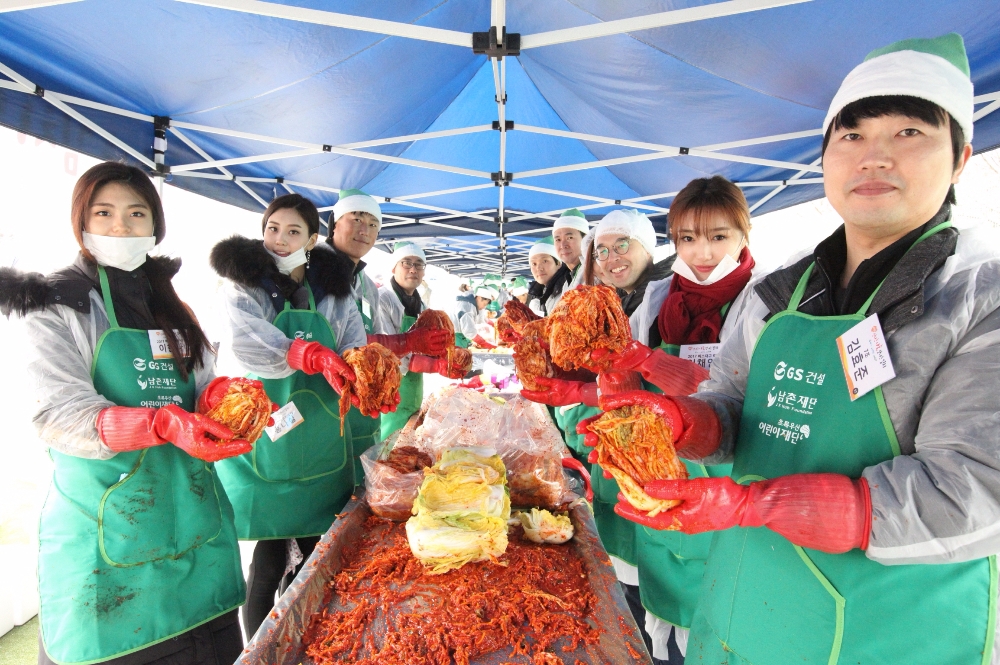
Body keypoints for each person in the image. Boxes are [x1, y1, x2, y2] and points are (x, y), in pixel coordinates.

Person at [605, 33, 1000, 665]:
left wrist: (755, 502)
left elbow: (975, 489)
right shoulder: (782, 294)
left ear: (960, 159)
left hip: (889, 633)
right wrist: (685, 424)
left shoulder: (978, 298)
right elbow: (733, 404)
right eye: (852, 136)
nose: (874, 157)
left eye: (909, 133)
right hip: (744, 606)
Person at [0, 162, 252, 665]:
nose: (120, 226)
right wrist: (159, 422)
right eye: (104, 212)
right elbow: (58, 412)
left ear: (155, 225)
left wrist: (225, 396)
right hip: (104, 531)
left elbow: (201, 383)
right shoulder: (54, 304)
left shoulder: (172, 305)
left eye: (137, 213)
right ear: (81, 220)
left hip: (192, 517)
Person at [581, 176, 756, 664]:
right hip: (655, 473)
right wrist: (602, 386)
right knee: (656, 616)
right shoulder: (659, 298)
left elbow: (743, 397)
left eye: (718, 236)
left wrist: (652, 362)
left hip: (725, 484)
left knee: (720, 622)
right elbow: (630, 389)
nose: (703, 252)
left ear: (743, 234)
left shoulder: (763, 299)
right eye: (688, 238)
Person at [210, 192, 369, 639]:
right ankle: (260, 649)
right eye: (272, 229)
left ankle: (305, 642)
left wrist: (360, 373)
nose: (279, 239)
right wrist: (305, 353)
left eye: (293, 231)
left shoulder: (333, 289)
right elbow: (248, 342)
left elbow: (353, 341)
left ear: (313, 239)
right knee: (269, 556)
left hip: (321, 433)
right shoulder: (244, 284)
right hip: (271, 431)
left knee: (318, 554)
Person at [522, 208, 677, 649]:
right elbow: (611, 381)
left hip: (661, 456)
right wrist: (576, 390)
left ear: (648, 246)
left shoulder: (665, 299)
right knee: (630, 574)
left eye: (622, 245)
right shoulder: (615, 300)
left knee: (663, 579)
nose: (611, 258)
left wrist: (588, 391)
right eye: (603, 251)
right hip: (616, 446)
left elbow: (672, 388)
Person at [326, 189, 443, 479]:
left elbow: (377, 346)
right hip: (327, 398)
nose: (364, 230)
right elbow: (335, 342)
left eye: (372, 224)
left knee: (368, 473)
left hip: (371, 397)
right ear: (334, 223)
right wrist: (410, 345)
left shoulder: (366, 286)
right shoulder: (315, 272)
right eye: (355, 219)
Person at [377, 242, 462, 440]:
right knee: (389, 444)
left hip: (413, 389)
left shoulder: (420, 304)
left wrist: (446, 355)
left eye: (418, 264)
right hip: (391, 390)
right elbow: (388, 353)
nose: (413, 269)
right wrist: (435, 366)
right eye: (406, 262)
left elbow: (426, 346)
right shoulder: (384, 299)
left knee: (407, 440)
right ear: (394, 267)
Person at [541, 209, 589, 313]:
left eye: (570, 237)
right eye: (558, 240)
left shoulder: (594, 272)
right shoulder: (568, 279)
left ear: (585, 239)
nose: (563, 245)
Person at [527, 236, 561, 316]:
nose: (539, 268)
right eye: (534, 264)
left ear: (558, 263)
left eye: (545, 261)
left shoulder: (566, 290)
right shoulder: (537, 294)